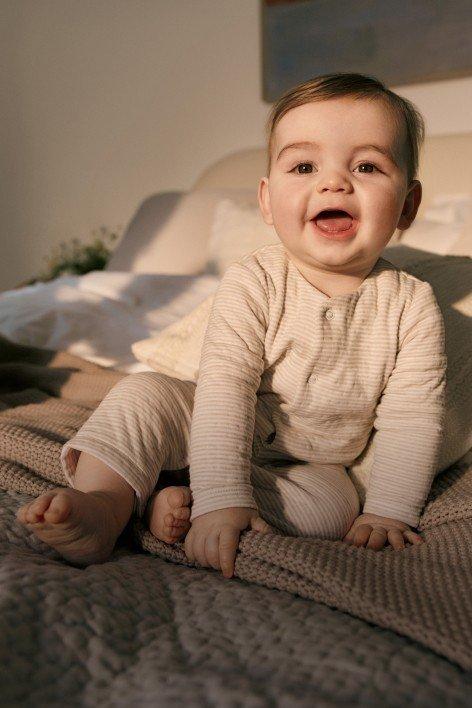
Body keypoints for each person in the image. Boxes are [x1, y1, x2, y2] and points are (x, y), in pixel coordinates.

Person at [16, 73, 447, 578]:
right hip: (211, 420)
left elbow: (413, 420)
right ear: (267, 201)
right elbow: (224, 387)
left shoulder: (412, 305)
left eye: (367, 166)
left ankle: (171, 498)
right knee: (144, 394)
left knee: (334, 510)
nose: (334, 183)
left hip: (310, 465)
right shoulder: (255, 280)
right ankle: (103, 503)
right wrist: (223, 498)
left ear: (408, 206)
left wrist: (388, 511)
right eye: (304, 165)